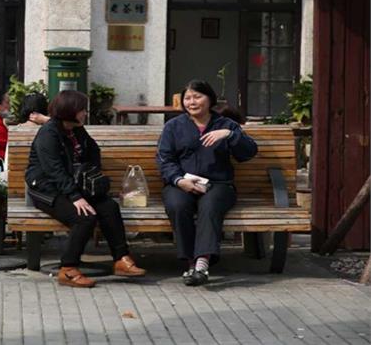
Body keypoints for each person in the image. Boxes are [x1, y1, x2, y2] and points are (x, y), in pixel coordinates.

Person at [25, 90, 145, 288]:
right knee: (84, 217)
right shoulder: (48, 134)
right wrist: (75, 197)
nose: (85, 113)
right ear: (70, 110)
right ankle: (68, 269)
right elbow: (54, 170)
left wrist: (91, 175)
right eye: (82, 110)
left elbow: (93, 150)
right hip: (46, 189)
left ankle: (121, 259)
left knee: (109, 207)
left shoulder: (76, 129)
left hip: (73, 185)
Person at [157, 79, 258, 286]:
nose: (192, 102)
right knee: (177, 205)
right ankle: (190, 261)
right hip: (182, 183)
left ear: (210, 99)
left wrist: (230, 135)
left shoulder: (225, 125)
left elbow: (248, 153)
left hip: (219, 184)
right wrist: (178, 180)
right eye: (187, 98)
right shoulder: (173, 127)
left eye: (197, 97)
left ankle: (202, 264)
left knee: (210, 206)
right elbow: (164, 159)